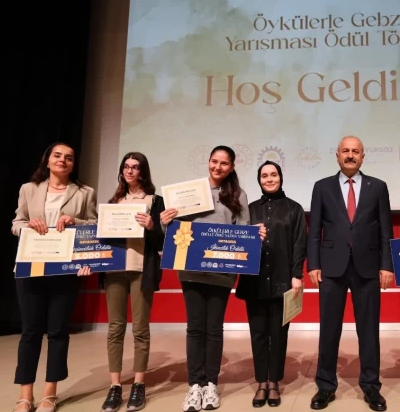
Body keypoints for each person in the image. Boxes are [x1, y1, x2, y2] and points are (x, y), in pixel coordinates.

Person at [159, 145, 266, 412]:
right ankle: (194, 385)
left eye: (224, 163)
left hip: (222, 269)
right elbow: (173, 230)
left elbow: (243, 231)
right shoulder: (190, 192)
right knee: (195, 328)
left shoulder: (238, 195)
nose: (218, 167)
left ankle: (211, 385)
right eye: (214, 161)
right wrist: (164, 221)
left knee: (214, 328)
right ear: (208, 162)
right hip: (190, 269)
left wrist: (254, 235)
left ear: (231, 167)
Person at [307, 136, 393, 411]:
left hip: (368, 267)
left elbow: (386, 230)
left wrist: (387, 265)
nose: (350, 155)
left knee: (368, 330)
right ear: (337, 155)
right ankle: (325, 386)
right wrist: (313, 264)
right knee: (329, 329)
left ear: (363, 156)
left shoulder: (378, 187)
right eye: (345, 150)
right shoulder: (322, 187)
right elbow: (315, 229)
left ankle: (371, 386)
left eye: (356, 151)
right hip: (331, 268)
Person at [10, 142, 97, 412]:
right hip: (31, 266)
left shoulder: (85, 192)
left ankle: (50, 392)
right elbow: (16, 223)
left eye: (69, 158)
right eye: (57, 156)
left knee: (58, 331)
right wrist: (28, 225)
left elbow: (94, 225)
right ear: (47, 160)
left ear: (73, 164)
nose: (63, 160)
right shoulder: (28, 189)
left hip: (65, 270)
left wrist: (75, 222)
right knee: (30, 332)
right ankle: (25, 395)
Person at [235, 160, 307, 408]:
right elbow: (238, 240)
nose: (269, 179)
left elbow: (299, 243)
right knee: (257, 334)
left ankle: (274, 382)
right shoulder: (249, 209)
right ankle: (261, 383)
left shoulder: (294, 209)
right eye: (264, 175)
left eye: (273, 174)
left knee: (278, 334)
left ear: (280, 177)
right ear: (259, 180)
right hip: (253, 279)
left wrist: (296, 274)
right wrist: (249, 235)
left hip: (282, 280)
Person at [99, 152, 166, 412]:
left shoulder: (155, 201)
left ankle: (138, 384)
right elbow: (102, 239)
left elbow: (163, 240)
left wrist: (152, 226)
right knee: (115, 328)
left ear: (142, 171)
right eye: (126, 167)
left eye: (135, 167)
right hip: (114, 270)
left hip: (141, 270)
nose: (129, 171)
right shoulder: (113, 202)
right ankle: (115, 386)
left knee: (140, 329)